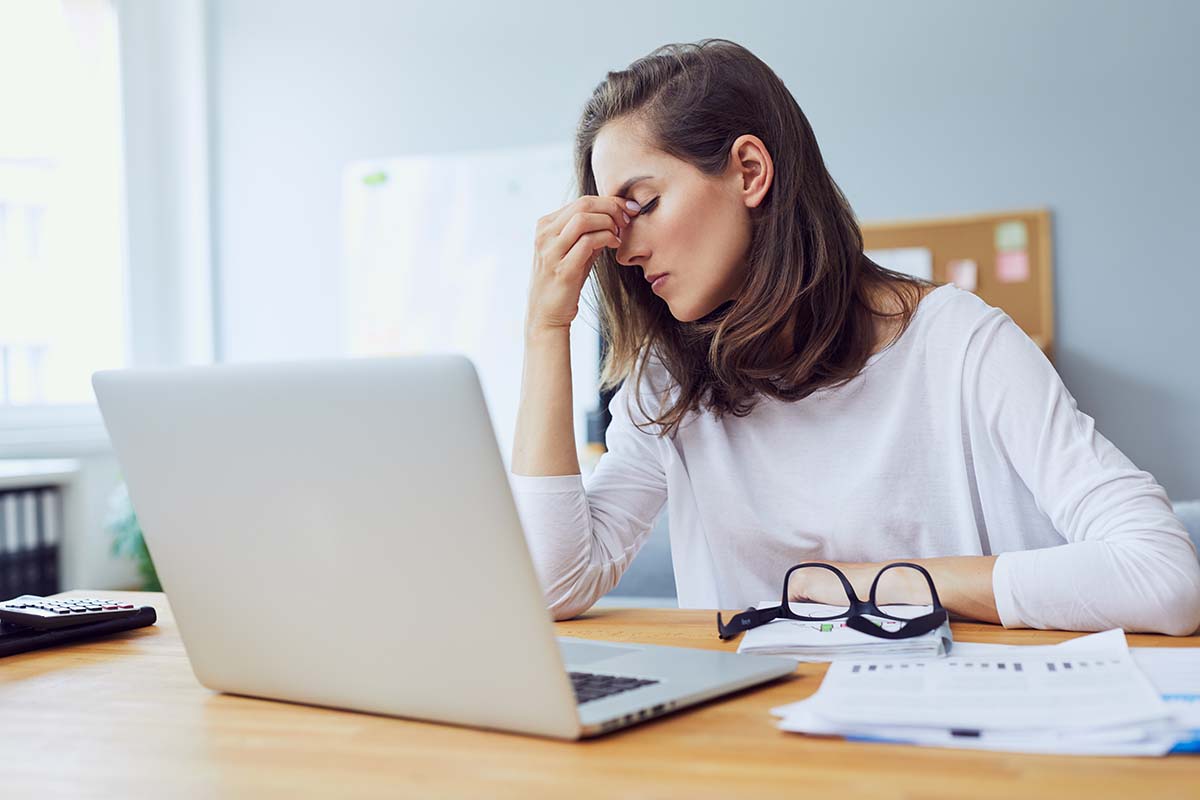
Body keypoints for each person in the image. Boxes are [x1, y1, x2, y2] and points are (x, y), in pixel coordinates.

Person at [509, 39, 1200, 635]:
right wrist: (546, 329)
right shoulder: (671, 382)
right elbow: (552, 586)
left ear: (750, 171)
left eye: (645, 204)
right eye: (615, 223)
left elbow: (1163, 575)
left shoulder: (959, 344)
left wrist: (881, 583)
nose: (625, 252)